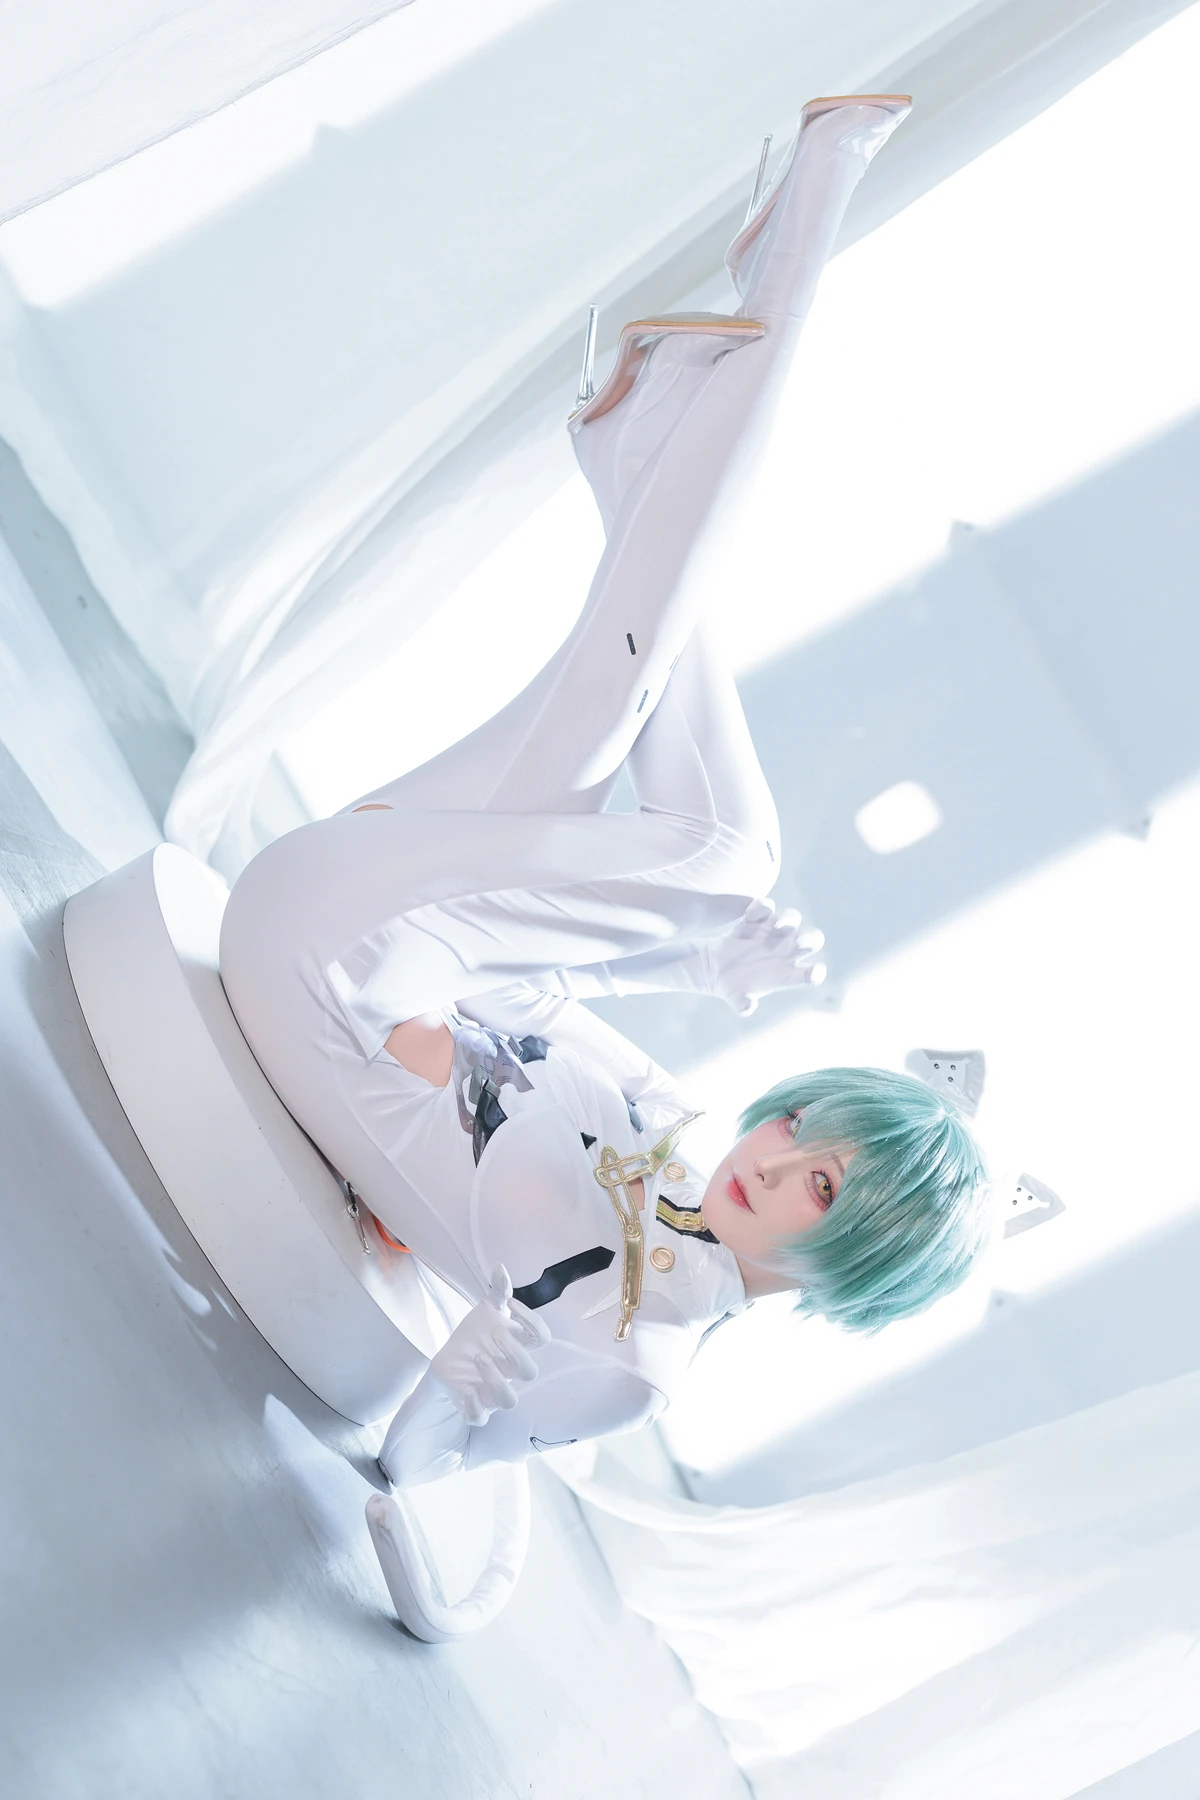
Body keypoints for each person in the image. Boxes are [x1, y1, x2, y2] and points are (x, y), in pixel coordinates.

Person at [219, 95, 989, 1490]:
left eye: (821, 1184)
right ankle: (717, 343)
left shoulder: (640, 1361)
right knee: (616, 697)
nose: (777, 1158)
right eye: (800, 1128)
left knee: (723, 847)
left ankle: (661, 432)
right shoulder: (678, 1130)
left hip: (322, 976)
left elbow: (419, 1475)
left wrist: (485, 1345)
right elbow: (532, 992)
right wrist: (689, 962)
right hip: (362, 925)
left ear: (856, 1264)